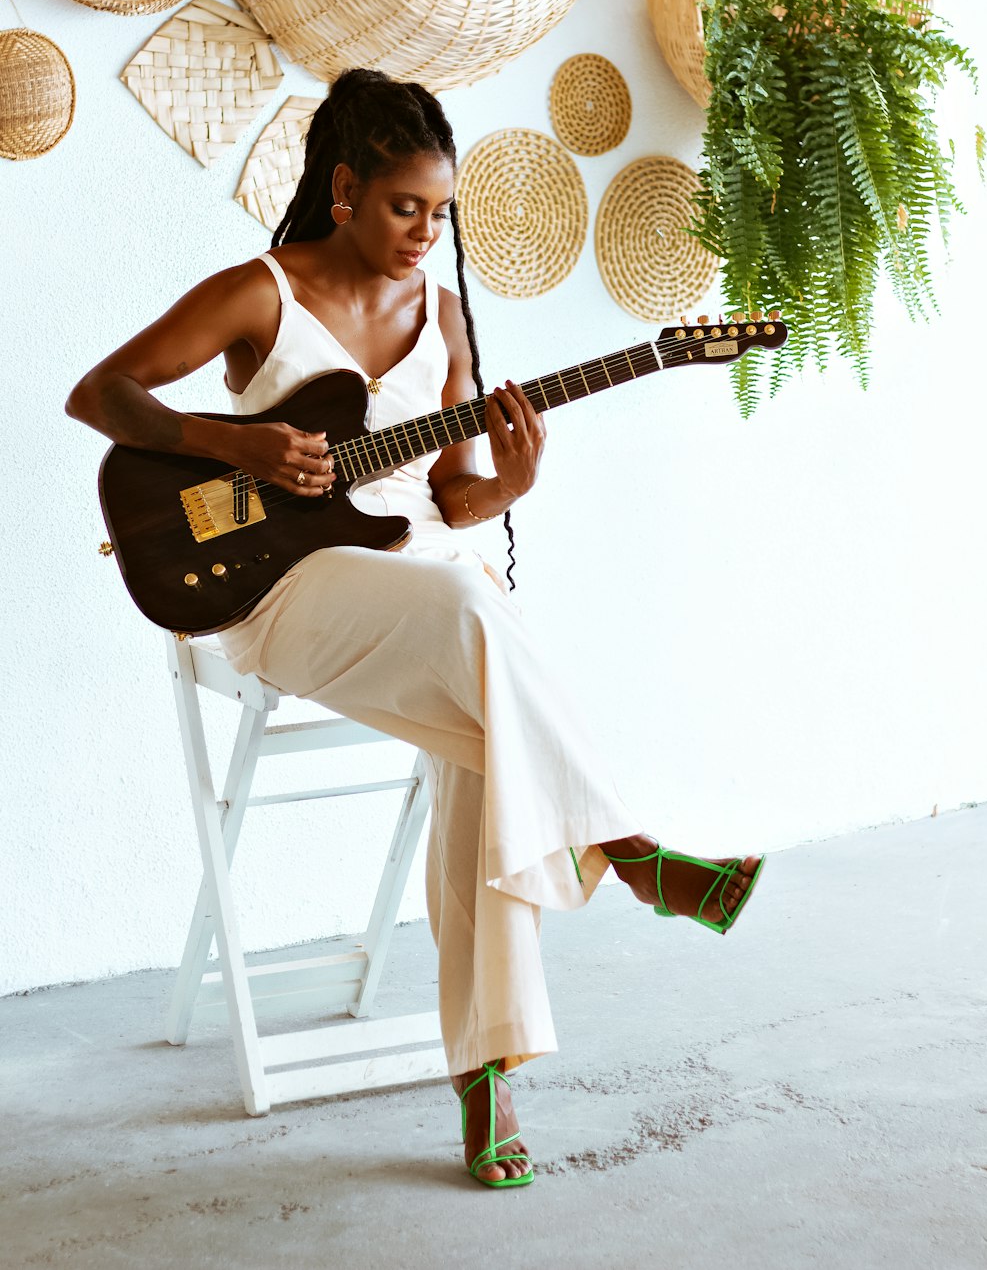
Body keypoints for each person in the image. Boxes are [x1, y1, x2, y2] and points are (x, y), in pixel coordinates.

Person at [66, 68, 764, 1189]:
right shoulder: (261, 294)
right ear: (344, 191)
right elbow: (102, 395)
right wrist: (231, 443)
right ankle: (631, 854)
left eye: (440, 213)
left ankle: (486, 1086)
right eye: (406, 208)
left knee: (488, 740)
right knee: (476, 611)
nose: (425, 234)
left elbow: (451, 495)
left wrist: (510, 487)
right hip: (283, 590)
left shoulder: (445, 317)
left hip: (425, 582)